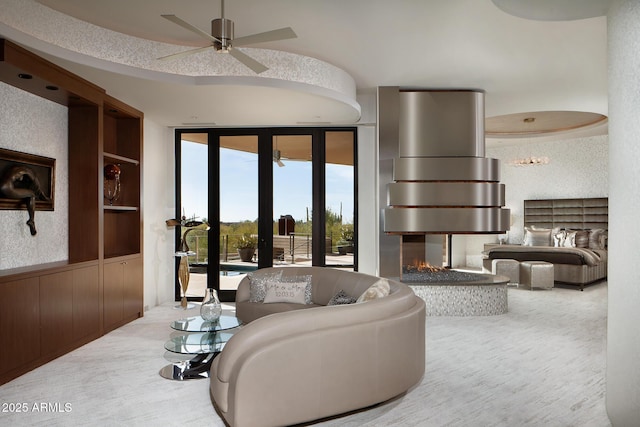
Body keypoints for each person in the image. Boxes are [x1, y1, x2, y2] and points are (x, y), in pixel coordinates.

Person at [0, 164, 49, 235]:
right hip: (7, 187)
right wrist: (43, 196)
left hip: (3, 186)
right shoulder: (28, 171)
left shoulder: (15, 170)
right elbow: (37, 185)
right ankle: (31, 220)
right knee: (32, 194)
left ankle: (32, 221)